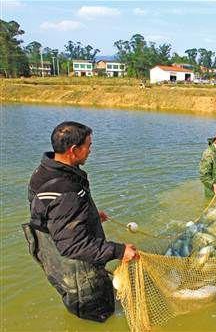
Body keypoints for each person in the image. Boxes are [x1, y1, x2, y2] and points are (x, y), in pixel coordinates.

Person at [22, 121, 138, 322]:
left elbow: (51, 215)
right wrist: (119, 251)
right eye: (88, 146)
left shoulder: (45, 171)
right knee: (100, 316)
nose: (91, 150)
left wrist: (90, 215)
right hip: (78, 274)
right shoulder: (66, 190)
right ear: (73, 150)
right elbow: (73, 245)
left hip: (58, 260)